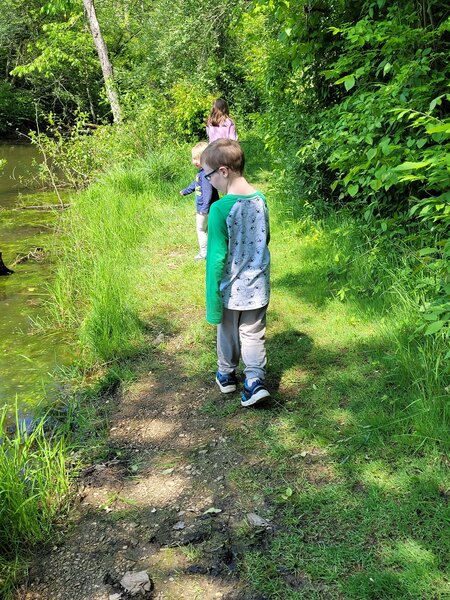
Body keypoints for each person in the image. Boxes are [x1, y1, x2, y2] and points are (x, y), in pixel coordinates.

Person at [201, 139, 271, 407]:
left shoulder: (220, 209)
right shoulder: (260, 199)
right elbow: (266, 238)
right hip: (258, 285)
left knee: (227, 329)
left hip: (230, 288)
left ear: (223, 171)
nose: (209, 182)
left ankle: (227, 374)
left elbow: (216, 259)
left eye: (208, 176)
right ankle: (254, 381)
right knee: (253, 332)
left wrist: (212, 300)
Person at [180, 141, 219, 261]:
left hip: (205, 208)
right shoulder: (202, 173)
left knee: (201, 229)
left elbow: (208, 192)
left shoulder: (206, 174)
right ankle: (213, 249)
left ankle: (204, 253)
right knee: (209, 229)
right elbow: (196, 183)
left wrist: (204, 209)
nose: (194, 162)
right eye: (193, 159)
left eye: (197, 159)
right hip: (208, 207)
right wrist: (186, 191)